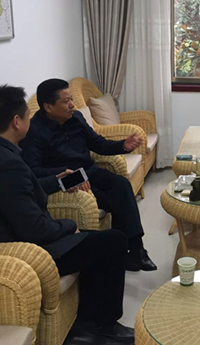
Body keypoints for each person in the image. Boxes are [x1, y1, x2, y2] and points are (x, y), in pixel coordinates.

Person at [0, 85, 134, 343]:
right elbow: (35, 229)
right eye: (27, 116)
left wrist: (59, 180)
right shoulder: (7, 163)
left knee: (96, 242)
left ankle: (85, 327)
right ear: (17, 122)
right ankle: (106, 325)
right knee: (113, 241)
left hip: (10, 238)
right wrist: (69, 225)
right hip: (22, 252)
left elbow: (18, 190)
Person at [20, 78, 156, 271]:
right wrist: (68, 176)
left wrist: (123, 145)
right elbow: (33, 170)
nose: (72, 105)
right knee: (117, 200)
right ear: (48, 107)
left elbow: (97, 143)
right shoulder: (33, 131)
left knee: (121, 185)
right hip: (70, 180)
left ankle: (136, 249)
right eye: (66, 101)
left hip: (90, 171)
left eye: (71, 99)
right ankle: (125, 252)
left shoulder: (76, 118)